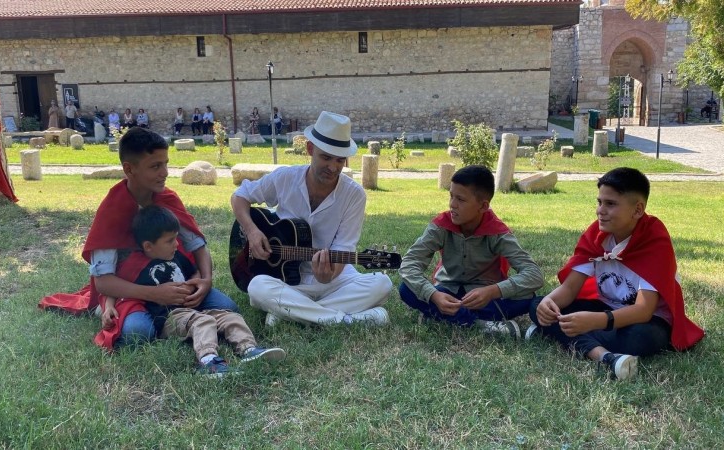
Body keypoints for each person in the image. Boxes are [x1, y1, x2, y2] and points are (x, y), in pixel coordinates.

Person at [39, 127, 239, 349]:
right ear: (129, 169)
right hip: (131, 290)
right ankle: (173, 320)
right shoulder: (111, 211)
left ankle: (182, 318)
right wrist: (156, 294)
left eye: (165, 163)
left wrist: (205, 279)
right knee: (139, 334)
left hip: (174, 280)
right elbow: (103, 281)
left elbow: (198, 246)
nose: (164, 172)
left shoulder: (168, 199)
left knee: (229, 307)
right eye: (155, 166)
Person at [528, 168, 704, 380]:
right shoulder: (596, 235)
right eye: (599, 202)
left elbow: (643, 311)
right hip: (607, 308)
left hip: (648, 321)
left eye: (610, 204)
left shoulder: (655, 240)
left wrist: (594, 321)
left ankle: (556, 333)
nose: (600, 210)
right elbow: (569, 288)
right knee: (536, 305)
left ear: (638, 210)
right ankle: (604, 356)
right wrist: (548, 303)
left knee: (639, 339)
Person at [231, 111, 392, 326]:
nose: (333, 167)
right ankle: (344, 319)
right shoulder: (285, 177)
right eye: (326, 157)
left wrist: (328, 275)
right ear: (310, 149)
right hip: (285, 280)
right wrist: (252, 231)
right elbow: (239, 197)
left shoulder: (354, 195)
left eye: (339, 160)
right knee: (257, 287)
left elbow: (344, 247)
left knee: (382, 283)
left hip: (332, 280)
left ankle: (291, 314)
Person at [101, 205, 286, 376]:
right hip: (168, 319)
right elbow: (116, 288)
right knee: (203, 321)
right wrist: (109, 306)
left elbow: (194, 271)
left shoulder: (175, 256)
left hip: (194, 309)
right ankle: (208, 360)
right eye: (170, 240)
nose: (176, 244)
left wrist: (197, 284)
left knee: (230, 316)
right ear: (148, 246)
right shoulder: (134, 266)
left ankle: (248, 349)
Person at [398, 165, 544, 337]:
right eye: (451, 196)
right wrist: (434, 295)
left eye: (460, 199)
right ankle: (481, 325)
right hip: (447, 292)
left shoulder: (497, 232)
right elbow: (409, 264)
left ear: (483, 206)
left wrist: (492, 291)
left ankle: (438, 316)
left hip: (485, 298)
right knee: (406, 289)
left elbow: (534, 275)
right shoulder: (441, 226)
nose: (452, 204)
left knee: (528, 297)